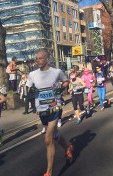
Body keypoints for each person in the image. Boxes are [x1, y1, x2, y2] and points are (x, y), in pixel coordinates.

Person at [25, 48, 73, 176]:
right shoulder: (33, 74)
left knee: (48, 139)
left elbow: (66, 81)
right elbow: (28, 87)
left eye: (40, 58)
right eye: (37, 58)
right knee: (55, 134)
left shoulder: (56, 72)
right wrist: (30, 89)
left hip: (55, 108)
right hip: (41, 110)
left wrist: (59, 90)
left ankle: (49, 172)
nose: (38, 60)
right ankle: (67, 147)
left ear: (47, 59)